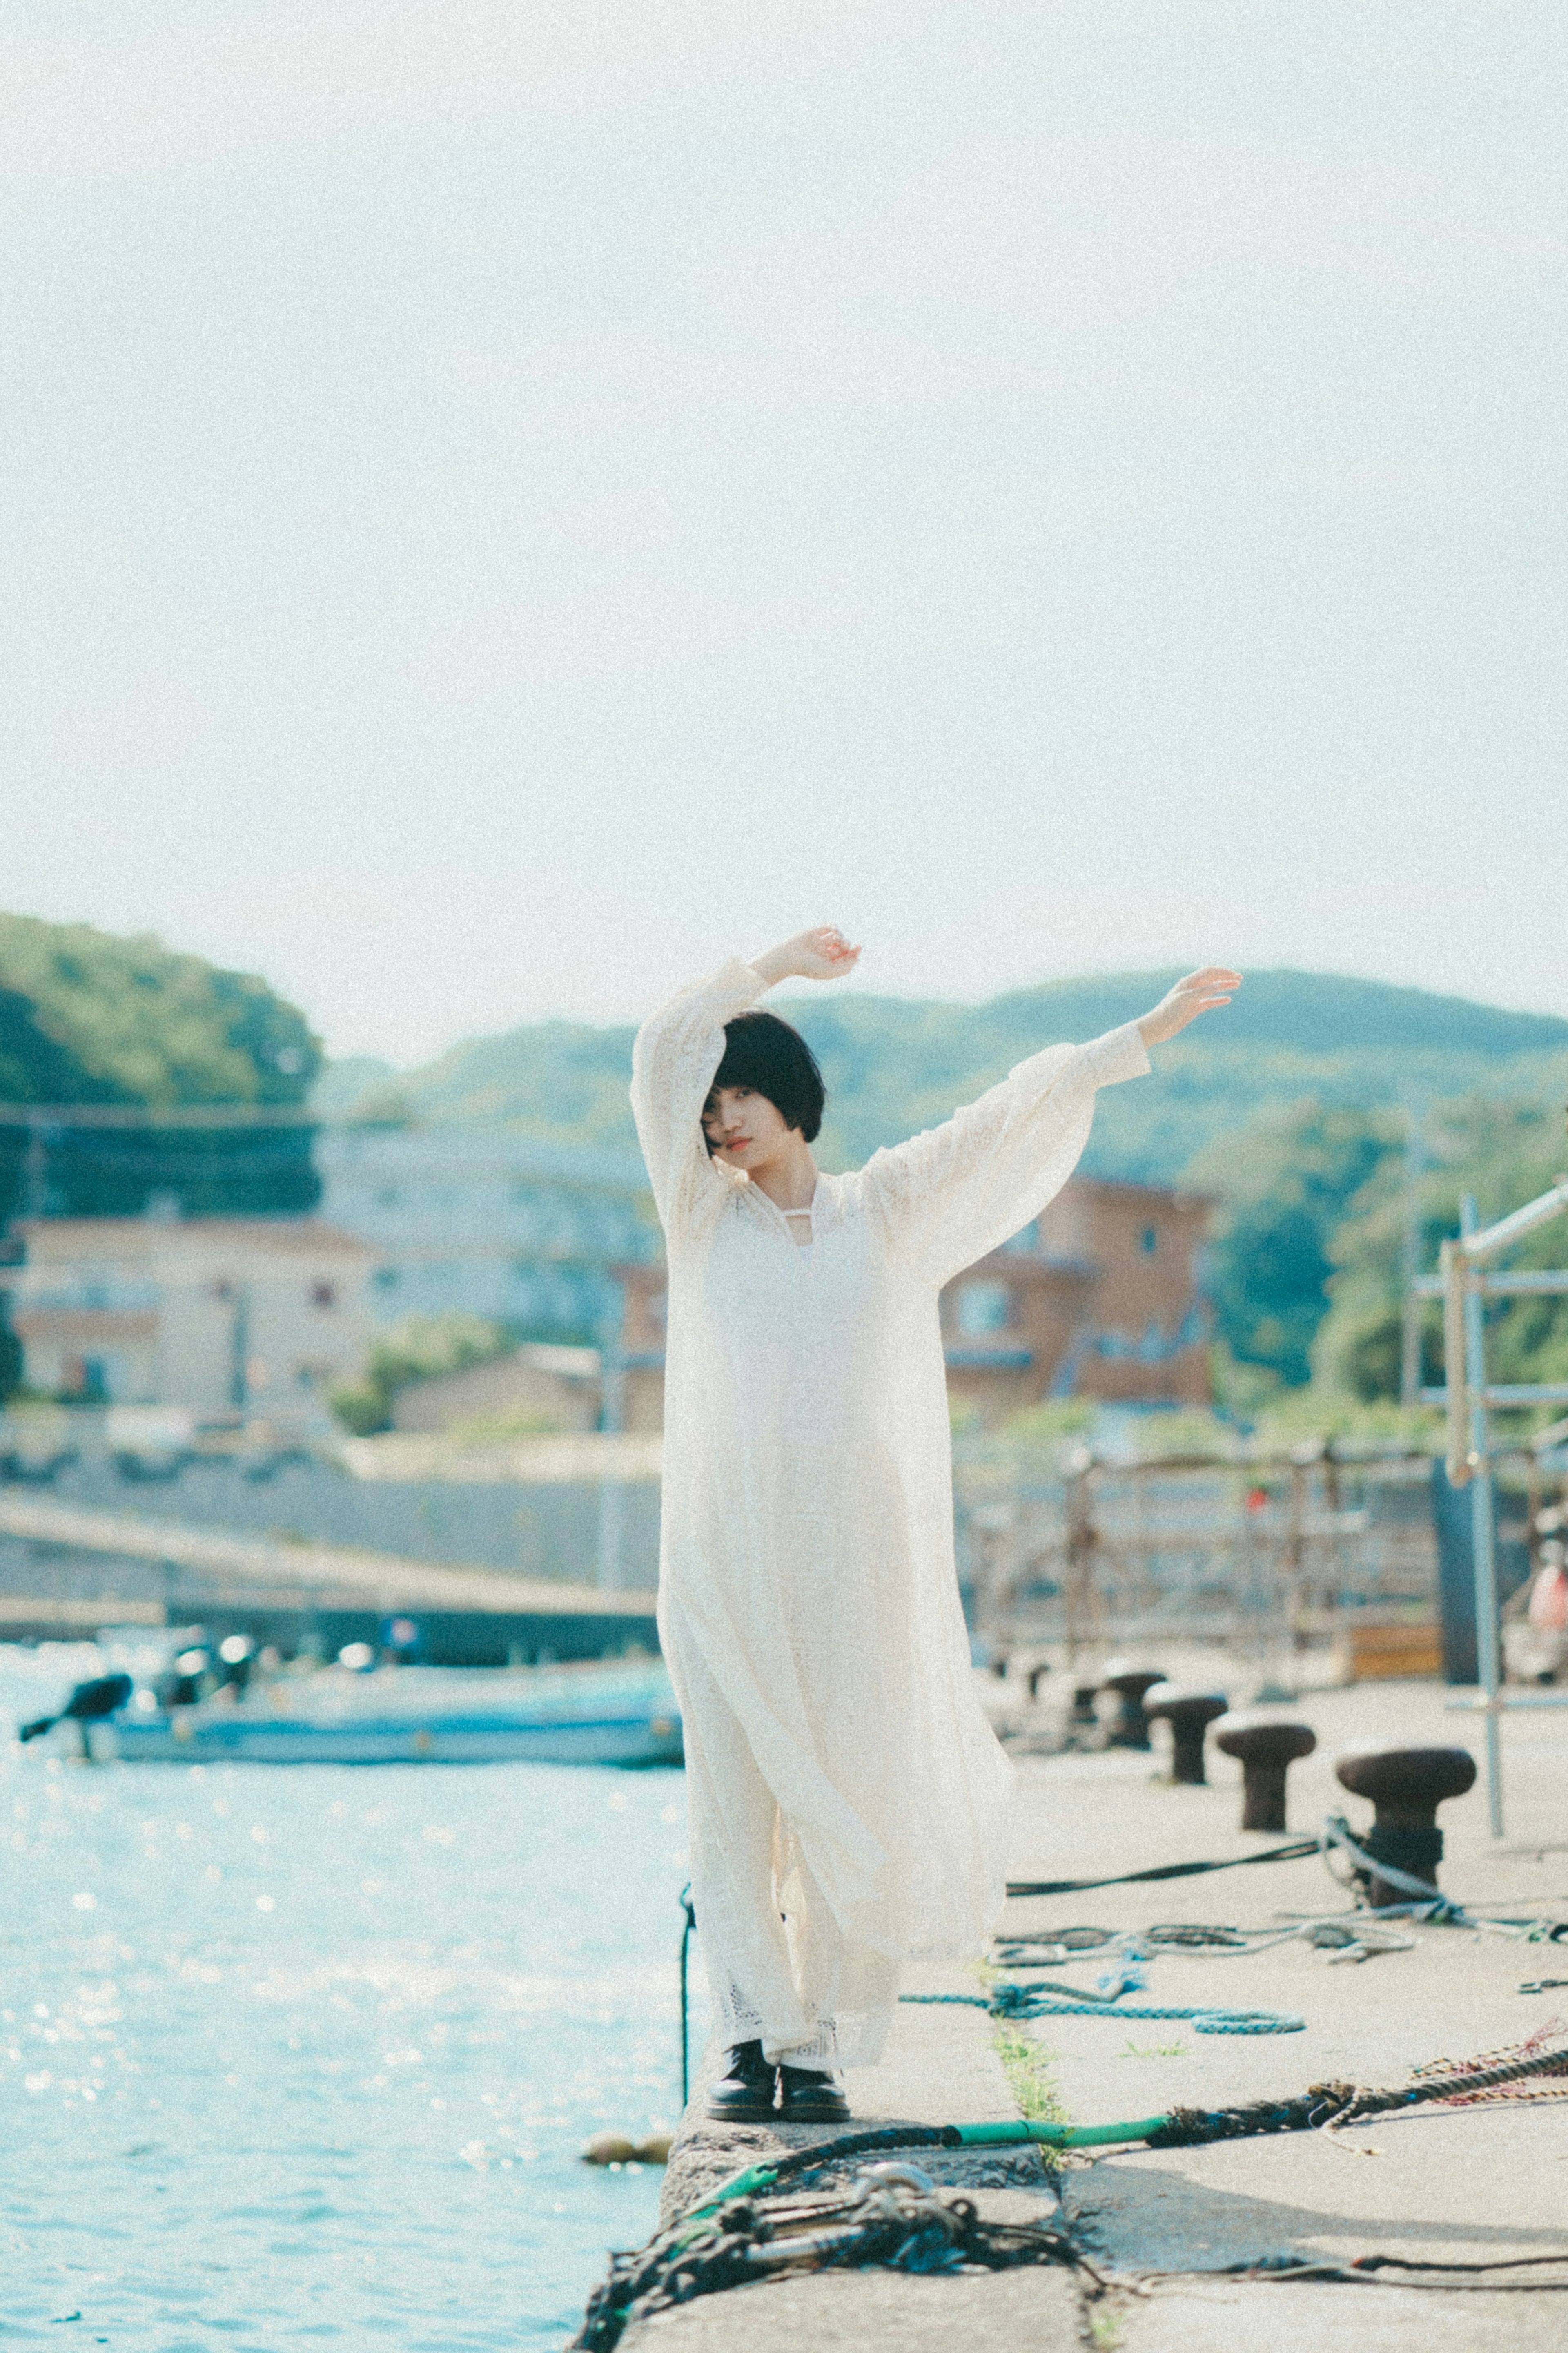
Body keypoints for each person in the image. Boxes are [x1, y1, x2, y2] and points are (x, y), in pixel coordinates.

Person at [631, 928, 1239, 2123]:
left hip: (852, 1537)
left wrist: (1141, 1037)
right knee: (740, 1786)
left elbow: (1004, 1118)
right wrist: (768, 964)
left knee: (851, 1775)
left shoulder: (885, 1209)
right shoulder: (700, 1216)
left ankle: (818, 2051)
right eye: (708, 1110)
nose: (721, 1121)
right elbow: (662, 1049)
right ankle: (754, 2031)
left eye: (740, 1093)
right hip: (727, 1537)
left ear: (792, 1095)